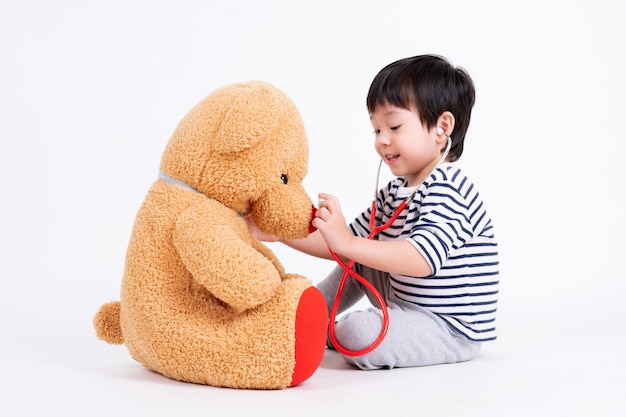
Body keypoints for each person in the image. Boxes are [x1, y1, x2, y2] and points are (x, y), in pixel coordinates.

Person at [247, 54, 499, 370]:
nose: (382, 140)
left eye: (393, 126)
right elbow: (340, 244)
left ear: (441, 127)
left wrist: (349, 244)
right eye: (376, 129)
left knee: (357, 330)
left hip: (446, 326)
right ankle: (308, 313)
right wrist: (277, 233)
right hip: (405, 307)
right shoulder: (394, 192)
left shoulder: (448, 188)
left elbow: (421, 260)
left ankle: (324, 328)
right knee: (359, 256)